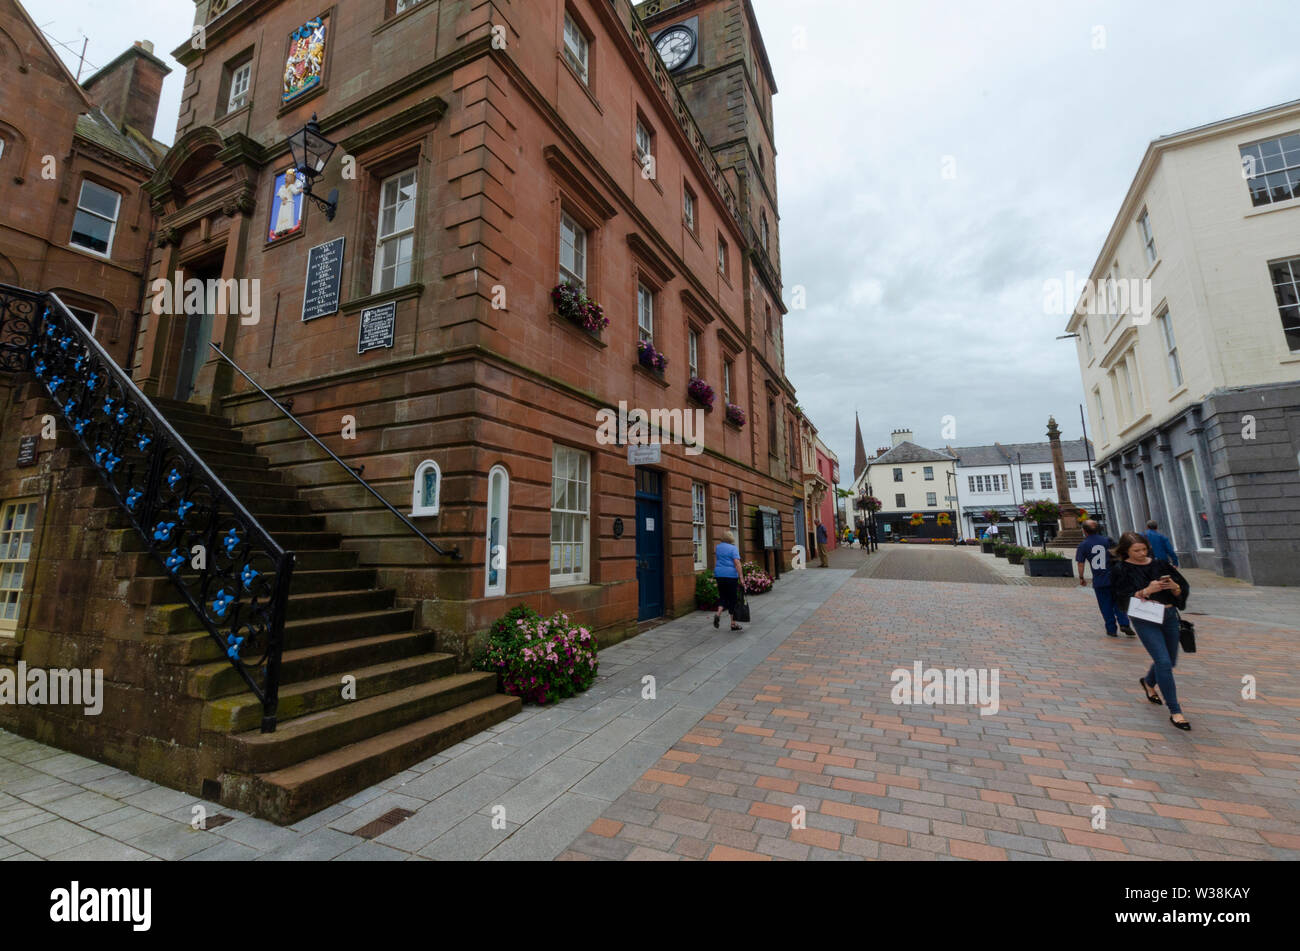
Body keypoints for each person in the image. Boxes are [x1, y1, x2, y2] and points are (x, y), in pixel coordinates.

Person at [1111, 532, 1193, 731]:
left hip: (1169, 615)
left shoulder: (1160, 565)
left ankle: (1148, 682)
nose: (1141, 553)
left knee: (1170, 661)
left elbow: (1183, 588)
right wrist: (1146, 591)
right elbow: (1122, 598)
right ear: (1125, 551)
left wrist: (1175, 588)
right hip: (1145, 618)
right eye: (1136, 550)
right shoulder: (1121, 569)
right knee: (1163, 662)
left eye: (1144, 549)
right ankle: (1175, 711)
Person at [1075, 520, 1135, 638]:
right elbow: (1119, 555)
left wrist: (1081, 577)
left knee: (1105, 605)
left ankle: (1111, 629)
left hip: (1099, 579)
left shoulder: (1083, 545)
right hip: (1115, 577)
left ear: (1084, 531)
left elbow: (1080, 563)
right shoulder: (1108, 540)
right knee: (1119, 602)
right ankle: (1124, 623)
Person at [712, 530, 744, 632]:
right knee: (732, 599)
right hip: (730, 576)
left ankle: (718, 614)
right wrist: (741, 577)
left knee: (723, 596)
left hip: (719, 575)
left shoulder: (718, 547)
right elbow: (737, 563)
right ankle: (733, 624)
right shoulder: (733, 549)